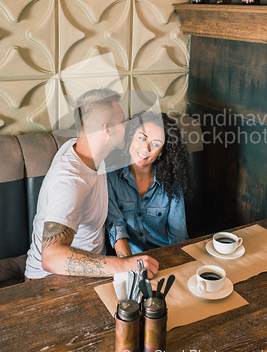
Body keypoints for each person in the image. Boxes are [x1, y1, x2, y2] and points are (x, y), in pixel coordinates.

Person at [25, 89, 159, 280]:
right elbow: (52, 258)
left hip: (86, 274)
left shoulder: (86, 149)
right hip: (50, 281)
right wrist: (124, 265)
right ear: (107, 130)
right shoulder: (71, 182)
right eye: (122, 122)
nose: (127, 127)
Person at [107, 111, 192, 257]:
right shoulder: (111, 177)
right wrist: (131, 267)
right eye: (141, 138)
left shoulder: (171, 182)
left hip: (165, 255)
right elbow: (116, 230)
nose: (146, 148)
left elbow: (178, 235)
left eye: (156, 144)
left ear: (161, 152)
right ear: (131, 138)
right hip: (129, 259)